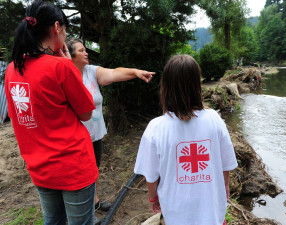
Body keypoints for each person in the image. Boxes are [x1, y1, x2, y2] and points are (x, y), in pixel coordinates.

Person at [5, 1, 100, 224]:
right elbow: (86, 113)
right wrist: (70, 66)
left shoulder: (12, 69)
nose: (66, 36)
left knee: (53, 221)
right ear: (57, 27)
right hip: (73, 167)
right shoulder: (62, 67)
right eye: (65, 30)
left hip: (40, 168)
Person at [134, 55, 238, 225]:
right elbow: (225, 164)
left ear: (165, 86)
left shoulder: (155, 128)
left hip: (177, 213)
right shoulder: (214, 119)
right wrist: (224, 186)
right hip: (212, 212)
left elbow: (151, 177)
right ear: (197, 85)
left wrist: (153, 198)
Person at [66, 38, 155, 211]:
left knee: (94, 170)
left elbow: (114, 73)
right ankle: (81, 211)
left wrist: (135, 72)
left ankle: (95, 201)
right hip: (75, 137)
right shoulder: (66, 74)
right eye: (81, 50)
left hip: (94, 133)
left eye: (86, 49)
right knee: (79, 175)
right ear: (71, 55)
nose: (86, 53)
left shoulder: (90, 71)